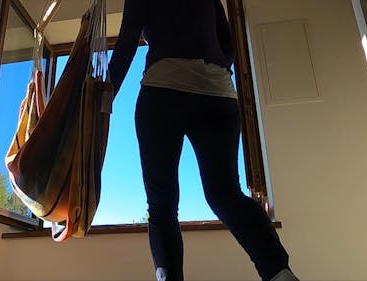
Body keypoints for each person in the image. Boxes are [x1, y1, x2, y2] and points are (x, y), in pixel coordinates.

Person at [108, 1, 299, 280]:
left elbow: (126, 44)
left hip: (163, 92)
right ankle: (279, 272)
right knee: (225, 194)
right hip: (217, 93)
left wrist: (100, 107)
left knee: (161, 205)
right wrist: (212, 67)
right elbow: (229, 45)